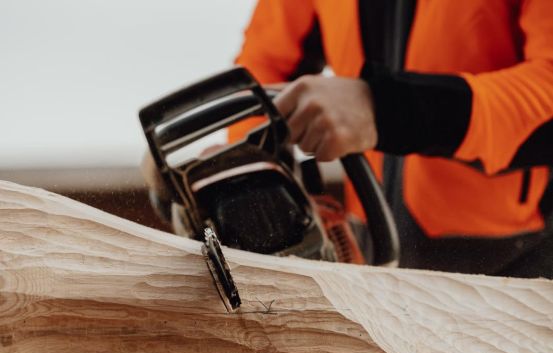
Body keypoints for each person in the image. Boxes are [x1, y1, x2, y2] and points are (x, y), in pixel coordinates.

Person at [143, 0, 553, 278]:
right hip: (380, 238)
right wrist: (236, 163)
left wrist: (384, 109)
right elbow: (269, 61)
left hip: (524, 255)